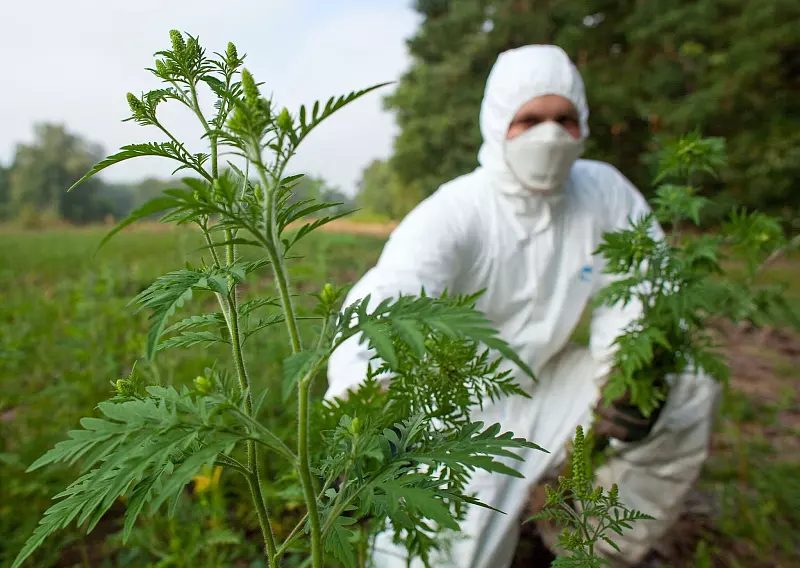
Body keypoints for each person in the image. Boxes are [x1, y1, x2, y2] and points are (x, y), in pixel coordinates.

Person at [325, 45, 720, 567]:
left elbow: (642, 285)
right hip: (454, 411)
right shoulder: (457, 210)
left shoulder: (603, 191)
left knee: (684, 381)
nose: (550, 135)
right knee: (444, 555)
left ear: (583, 124)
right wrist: (365, 408)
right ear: (497, 124)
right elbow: (388, 300)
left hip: (550, 383)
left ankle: (585, 538)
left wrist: (627, 372)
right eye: (530, 120)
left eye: (565, 119)